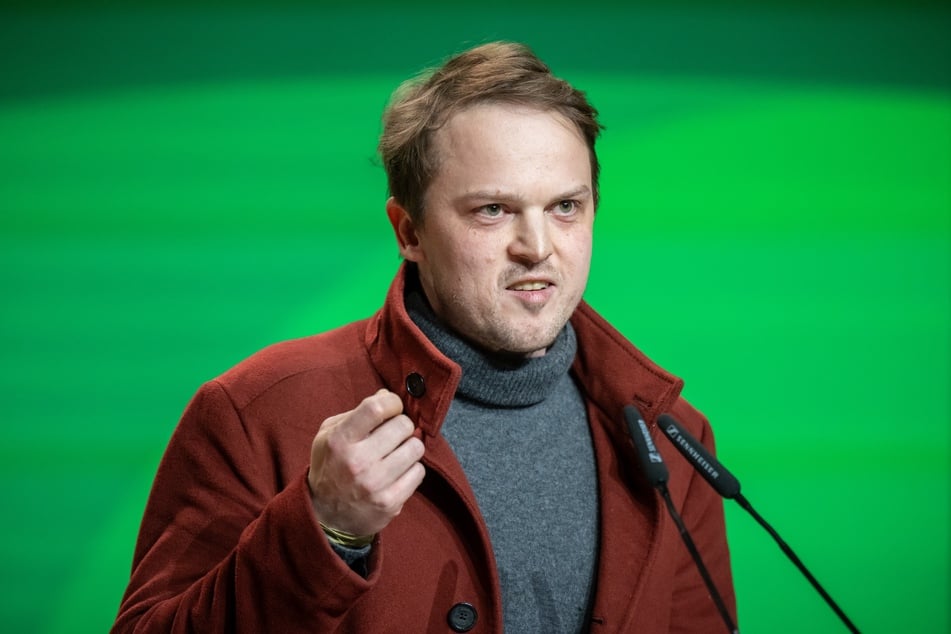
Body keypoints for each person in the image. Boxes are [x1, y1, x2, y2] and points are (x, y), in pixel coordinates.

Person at [112, 41, 736, 633]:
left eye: (565, 207)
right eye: (492, 210)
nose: (538, 247)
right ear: (408, 232)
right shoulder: (256, 411)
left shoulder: (672, 442)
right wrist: (325, 533)